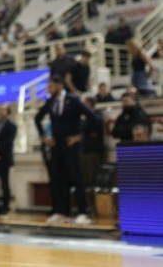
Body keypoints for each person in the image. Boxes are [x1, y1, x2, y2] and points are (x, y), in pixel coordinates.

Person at [34, 76, 98, 225]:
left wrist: (79, 136)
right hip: (56, 145)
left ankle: (82, 211)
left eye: (51, 86)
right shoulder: (50, 102)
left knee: (76, 178)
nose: (49, 88)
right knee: (57, 179)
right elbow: (37, 118)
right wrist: (44, 136)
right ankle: (61, 211)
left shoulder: (73, 100)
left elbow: (92, 118)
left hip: (71, 145)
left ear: (59, 85)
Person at [80, 98, 104, 188]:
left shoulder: (97, 115)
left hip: (93, 151)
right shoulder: (83, 118)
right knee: (83, 178)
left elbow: (89, 127)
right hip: (84, 150)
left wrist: (84, 132)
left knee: (91, 177)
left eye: (85, 104)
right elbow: (81, 129)